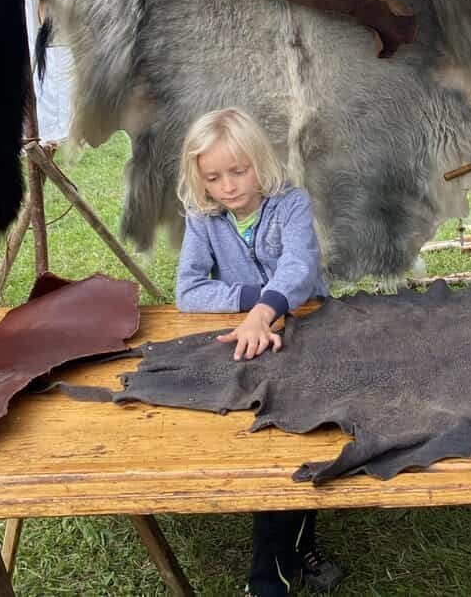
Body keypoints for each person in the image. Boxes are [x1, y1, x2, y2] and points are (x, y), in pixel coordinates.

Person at [175, 107, 343, 595]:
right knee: (265, 441)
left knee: (297, 439)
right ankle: (294, 554)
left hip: (312, 331)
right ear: (199, 179)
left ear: (259, 161)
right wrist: (253, 307)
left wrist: (266, 307)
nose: (227, 186)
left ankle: (269, 582)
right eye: (213, 177)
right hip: (251, 340)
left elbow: (300, 273)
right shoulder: (202, 218)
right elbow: (188, 290)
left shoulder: (290, 204)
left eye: (238, 171)